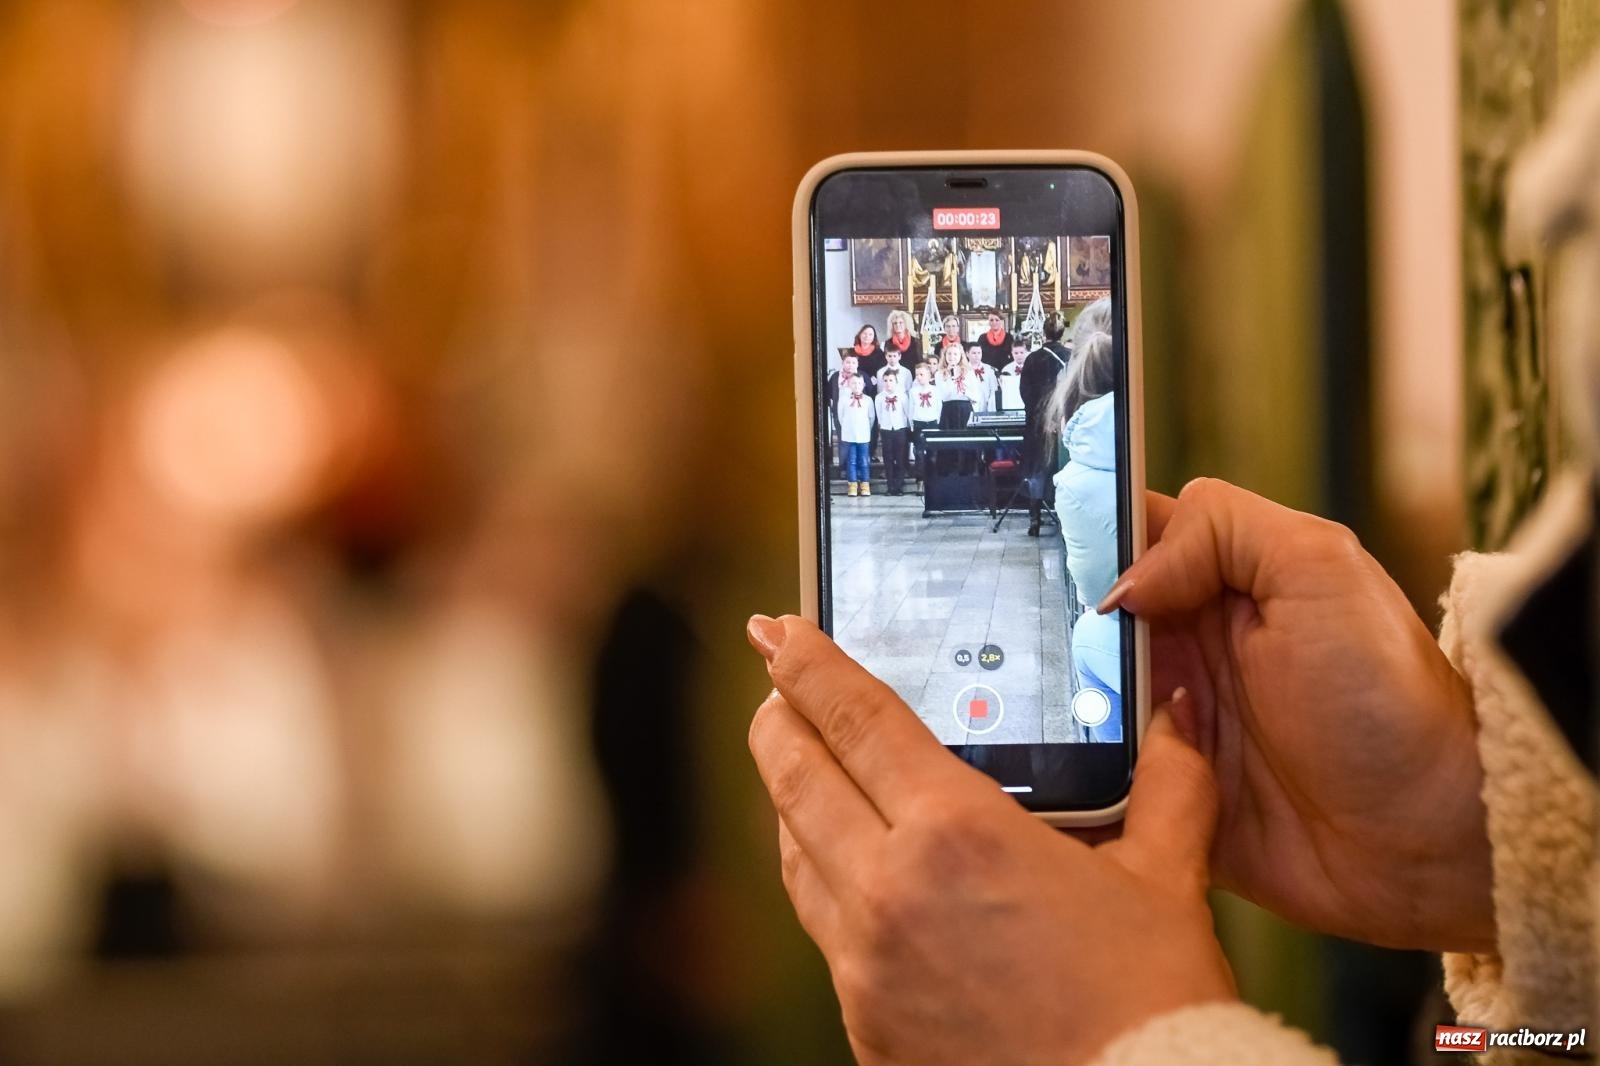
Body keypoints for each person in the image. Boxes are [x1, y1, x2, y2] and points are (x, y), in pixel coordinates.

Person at [1020, 312, 1071, 535]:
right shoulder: (1072, 356)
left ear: (1044, 332)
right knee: (1065, 469)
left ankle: (1035, 520)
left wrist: (1040, 418)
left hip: (1037, 423)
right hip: (1065, 422)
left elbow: (1025, 392)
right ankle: (1065, 519)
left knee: (1037, 470)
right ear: (1063, 332)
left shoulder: (1032, 359)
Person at [874, 369, 911, 496]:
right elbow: (879, 414)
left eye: (891, 380)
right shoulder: (879, 397)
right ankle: (890, 486)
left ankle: (899, 486)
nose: (888, 383)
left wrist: (908, 427)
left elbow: (907, 413)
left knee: (900, 458)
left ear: (896, 382)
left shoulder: (902, 396)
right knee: (888, 459)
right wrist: (882, 426)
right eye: (885, 381)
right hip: (886, 429)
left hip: (900, 429)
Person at [837, 373, 874, 497]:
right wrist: (848, 428)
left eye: (859, 383)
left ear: (863, 385)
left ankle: (865, 484)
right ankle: (852, 484)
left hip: (863, 435)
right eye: (853, 383)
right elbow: (840, 417)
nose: (856, 385)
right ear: (848, 384)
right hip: (849, 435)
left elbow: (871, 418)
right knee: (851, 460)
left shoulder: (868, 400)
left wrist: (864, 429)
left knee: (864, 460)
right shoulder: (843, 399)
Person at [826, 353, 861, 477]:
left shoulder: (862, 377)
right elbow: (829, 393)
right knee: (843, 441)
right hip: (841, 414)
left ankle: (858, 468)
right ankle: (843, 468)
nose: (850, 365)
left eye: (853, 363)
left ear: (857, 364)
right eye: (848, 362)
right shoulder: (835, 377)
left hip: (858, 415)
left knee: (858, 441)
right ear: (843, 363)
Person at [908, 361, 941, 485]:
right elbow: (911, 409)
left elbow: (939, 407)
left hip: (932, 423)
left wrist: (937, 422)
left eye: (922, 374)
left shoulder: (936, 390)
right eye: (917, 375)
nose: (919, 377)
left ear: (929, 375)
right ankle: (920, 481)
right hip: (919, 423)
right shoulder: (913, 391)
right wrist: (911, 424)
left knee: (933, 453)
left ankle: (933, 480)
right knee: (919, 453)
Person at [977, 309, 1015, 373]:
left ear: (1001, 321)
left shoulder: (1009, 337)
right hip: (987, 372)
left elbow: (1012, 356)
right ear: (988, 322)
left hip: (1005, 371)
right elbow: (979, 355)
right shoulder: (982, 338)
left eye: (997, 320)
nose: (994, 322)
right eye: (991, 320)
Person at [997, 338, 1028, 413]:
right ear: (1012, 353)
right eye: (1016, 353)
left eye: (1021, 352)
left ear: (1026, 352)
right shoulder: (1006, 369)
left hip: (1028, 401)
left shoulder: (1032, 366)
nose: (1019, 355)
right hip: (1012, 402)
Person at [964, 343, 996, 414]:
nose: (977, 356)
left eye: (979, 353)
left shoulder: (989, 369)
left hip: (987, 405)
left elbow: (993, 388)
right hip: (969, 406)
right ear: (967, 354)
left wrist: (991, 405)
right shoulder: (963, 370)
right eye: (974, 353)